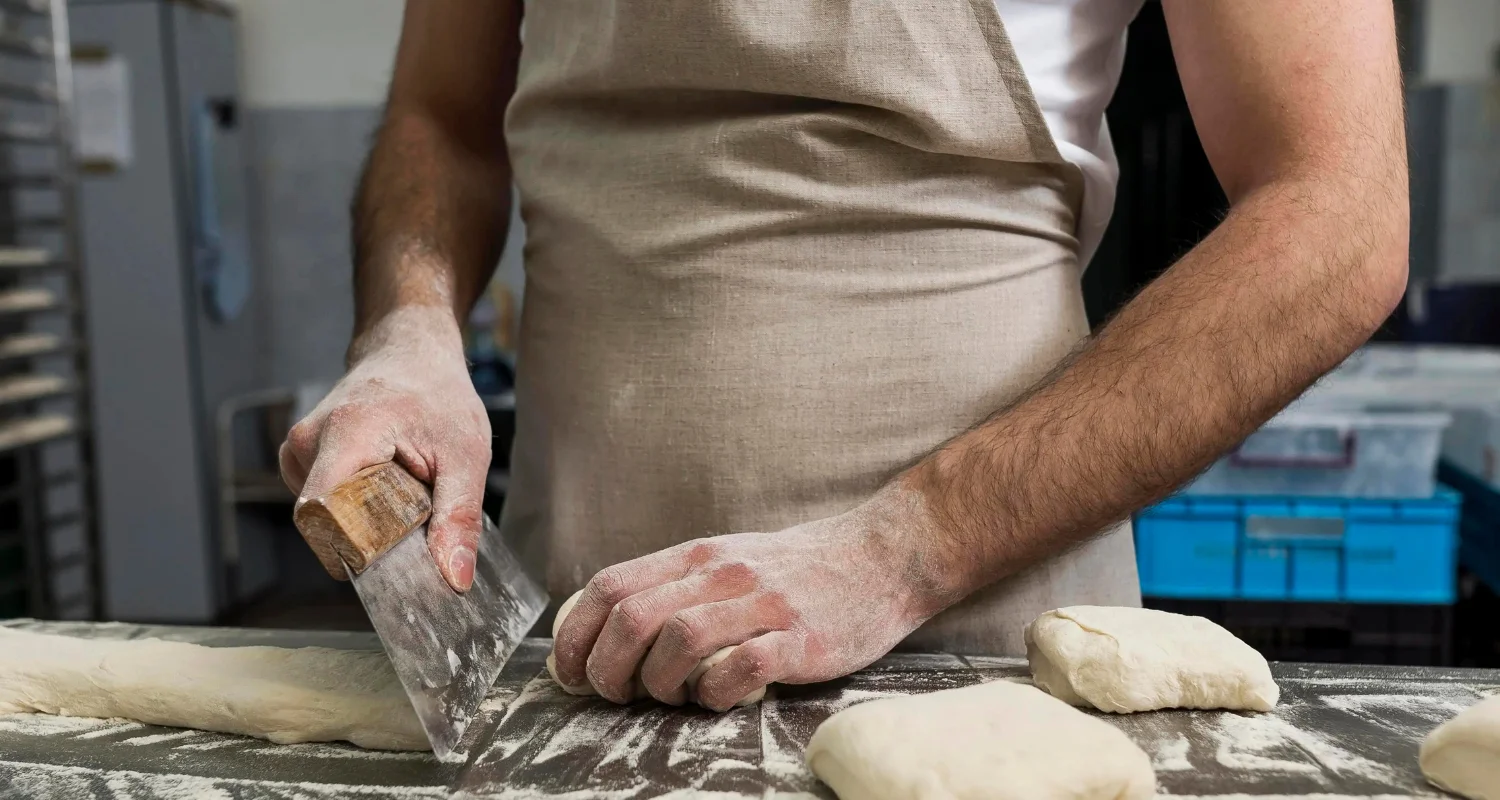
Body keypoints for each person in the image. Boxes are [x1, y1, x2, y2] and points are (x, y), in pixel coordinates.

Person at [279, 0, 1408, 711]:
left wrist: (902, 547)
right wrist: (411, 326)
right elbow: (441, 116)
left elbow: (1338, 215)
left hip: (977, 654)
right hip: (582, 646)